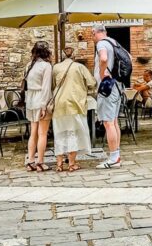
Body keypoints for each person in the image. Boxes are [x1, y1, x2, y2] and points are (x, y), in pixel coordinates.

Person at [51, 46, 97, 172]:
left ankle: (59, 164)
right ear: (74, 56)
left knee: (59, 133)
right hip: (75, 103)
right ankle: (71, 164)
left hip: (59, 104)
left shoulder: (55, 67)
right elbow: (92, 83)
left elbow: (53, 85)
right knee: (72, 133)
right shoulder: (80, 67)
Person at [92, 26, 125, 169]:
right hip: (117, 85)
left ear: (95, 33)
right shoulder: (114, 42)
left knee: (108, 123)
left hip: (107, 87)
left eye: (92, 35)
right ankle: (116, 155)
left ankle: (113, 158)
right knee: (114, 121)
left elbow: (104, 58)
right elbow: (129, 58)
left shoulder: (101, 43)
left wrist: (101, 72)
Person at [24, 41, 53, 172]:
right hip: (41, 99)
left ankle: (30, 160)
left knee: (33, 133)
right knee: (43, 133)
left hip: (30, 100)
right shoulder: (46, 66)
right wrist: (44, 106)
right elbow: (46, 88)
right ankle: (40, 162)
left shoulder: (29, 66)